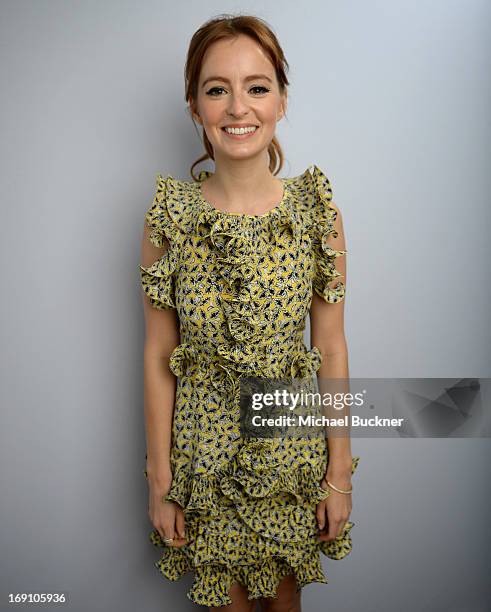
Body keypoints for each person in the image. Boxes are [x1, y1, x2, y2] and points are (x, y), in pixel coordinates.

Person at [140, 13, 360, 612]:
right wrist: (161, 481)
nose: (239, 107)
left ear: (282, 100)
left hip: (290, 455)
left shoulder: (318, 215)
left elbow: (332, 348)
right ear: (195, 106)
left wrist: (339, 473)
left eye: (257, 87)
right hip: (202, 461)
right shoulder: (170, 220)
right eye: (218, 89)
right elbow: (159, 357)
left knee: (284, 604)